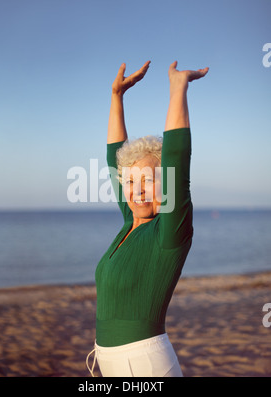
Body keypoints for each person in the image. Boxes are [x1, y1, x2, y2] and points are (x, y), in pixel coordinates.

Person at [86, 60, 209, 377]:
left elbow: (177, 159)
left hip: (145, 366)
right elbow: (115, 158)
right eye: (130, 182)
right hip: (110, 364)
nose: (136, 191)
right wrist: (116, 97)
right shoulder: (129, 224)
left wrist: (178, 88)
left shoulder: (169, 233)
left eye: (148, 181)